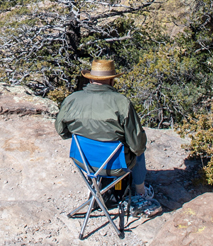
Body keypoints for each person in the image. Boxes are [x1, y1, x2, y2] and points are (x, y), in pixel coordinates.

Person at [55, 59, 161, 215]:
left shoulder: (72, 99)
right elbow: (137, 145)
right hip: (115, 166)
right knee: (138, 149)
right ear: (112, 80)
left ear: (90, 78)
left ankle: (100, 189)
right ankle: (140, 193)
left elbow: (62, 131)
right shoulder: (121, 103)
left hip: (84, 163)